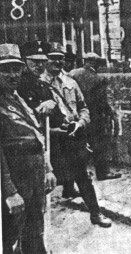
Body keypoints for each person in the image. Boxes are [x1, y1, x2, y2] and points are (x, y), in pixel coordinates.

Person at [40, 42, 111, 227]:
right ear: (45, 60)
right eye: (53, 57)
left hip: (72, 137)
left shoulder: (71, 81)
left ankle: (96, 214)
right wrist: (52, 131)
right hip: (51, 141)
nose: (58, 61)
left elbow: (83, 107)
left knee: (83, 177)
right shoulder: (38, 83)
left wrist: (80, 123)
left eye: (61, 57)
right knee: (46, 182)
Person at [0, 43, 57, 254]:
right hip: (14, 184)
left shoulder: (17, 98)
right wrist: (9, 192)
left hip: (33, 179)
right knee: (10, 241)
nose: (13, 74)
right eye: (5, 69)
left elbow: (37, 137)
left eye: (16, 68)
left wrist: (48, 169)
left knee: (34, 235)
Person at [69, 52, 121, 180]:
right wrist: (110, 113)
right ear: (93, 63)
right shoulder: (98, 79)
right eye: (97, 63)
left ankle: (78, 176)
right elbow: (102, 101)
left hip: (77, 115)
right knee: (99, 144)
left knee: (77, 146)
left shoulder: (72, 74)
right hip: (95, 116)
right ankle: (103, 172)